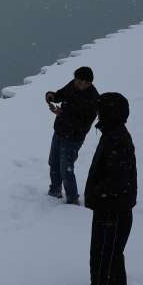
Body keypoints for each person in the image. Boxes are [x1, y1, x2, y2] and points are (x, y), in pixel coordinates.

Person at [83, 92, 137, 285]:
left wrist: (98, 193)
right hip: (113, 208)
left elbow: (116, 180)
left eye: (100, 109)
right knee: (112, 253)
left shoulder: (116, 139)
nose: (97, 113)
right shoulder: (114, 134)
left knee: (103, 255)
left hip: (111, 210)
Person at [43, 66, 99, 204]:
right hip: (59, 131)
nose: (77, 84)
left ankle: (72, 199)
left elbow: (83, 125)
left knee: (66, 169)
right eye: (76, 80)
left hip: (73, 139)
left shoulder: (93, 100)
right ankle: (54, 191)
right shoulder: (72, 85)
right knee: (54, 163)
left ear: (89, 83)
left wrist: (62, 113)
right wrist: (51, 96)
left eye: (81, 82)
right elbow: (61, 95)